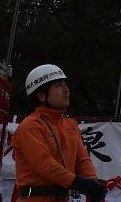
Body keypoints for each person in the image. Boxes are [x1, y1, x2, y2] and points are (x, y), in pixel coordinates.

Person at [12, 65, 107, 202]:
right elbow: (45, 165)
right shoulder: (30, 126)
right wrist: (80, 183)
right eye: (58, 85)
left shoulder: (71, 125)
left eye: (66, 85)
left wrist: (92, 182)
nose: (66, 90)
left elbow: (82, 160)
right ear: (41, 96)